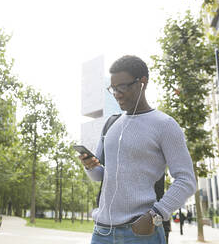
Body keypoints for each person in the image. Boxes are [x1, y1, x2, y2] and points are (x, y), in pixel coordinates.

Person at [79, 55, 197, 244]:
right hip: (101, 232)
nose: (117, 93)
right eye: (113, 88)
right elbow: (101, 176)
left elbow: (187, 180)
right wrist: (90, 166)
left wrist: (155, 215)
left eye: (122, 87)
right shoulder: (110, 124)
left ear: (142, 83)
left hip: (140, 233)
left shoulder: (165, 125)